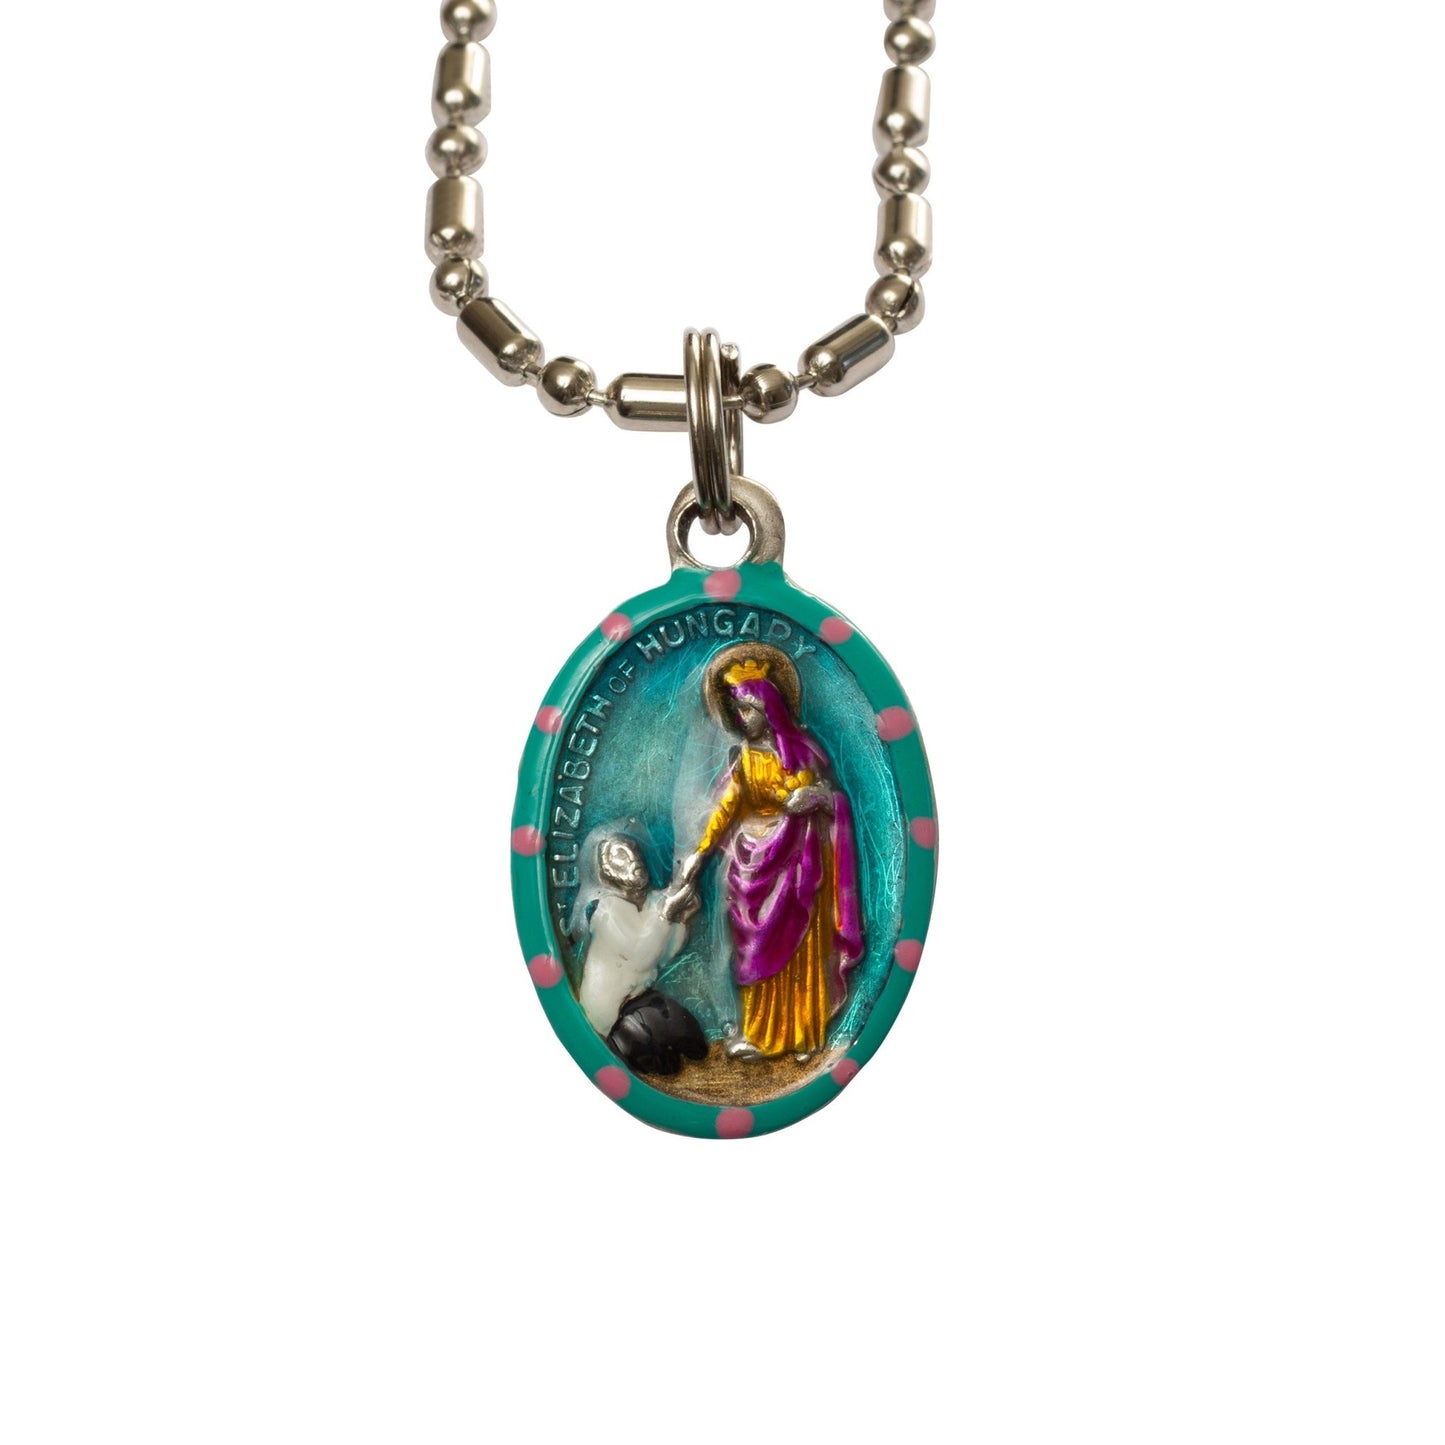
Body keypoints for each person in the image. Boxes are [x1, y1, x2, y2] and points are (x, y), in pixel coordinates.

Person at [677, 652, 863, 1061]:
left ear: (770, 709)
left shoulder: (803, 753)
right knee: (755, 949)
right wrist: (699, 854)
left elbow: (833, 802)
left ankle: (805, 1034)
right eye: (737, 710)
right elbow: (725, 809)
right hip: (753, 863)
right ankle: (761, 1036)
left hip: (798, 864)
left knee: (801, 946)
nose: (741, 718)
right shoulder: (744, 760)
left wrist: (816, 798)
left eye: (748, 709)